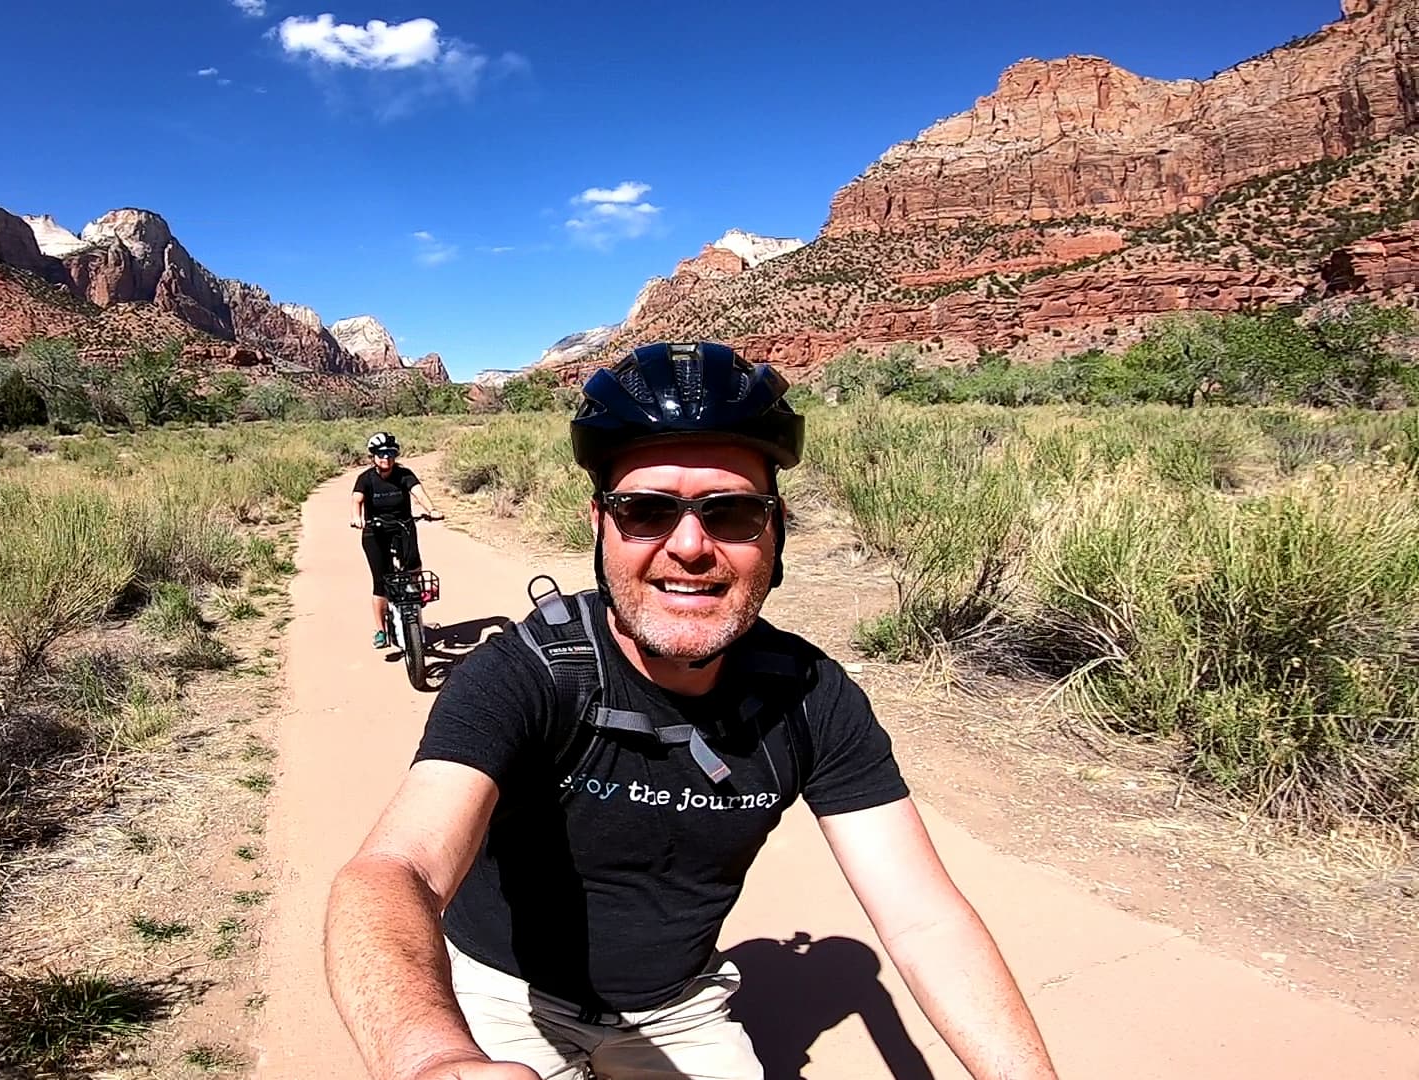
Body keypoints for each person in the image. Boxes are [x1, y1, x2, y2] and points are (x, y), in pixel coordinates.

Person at [324, 343, 1058, 1079]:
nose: (690, 547)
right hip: (503, 997)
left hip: (679, 1008)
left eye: (732, 512)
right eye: (645, 511)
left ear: (775, 531)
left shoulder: (811, 696)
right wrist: (432, 1058)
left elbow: (923, 919)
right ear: (598, 524)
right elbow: (396, 870)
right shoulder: (527, 672)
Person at [352, 431, 444, 649]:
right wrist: (357, 518)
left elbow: (418, 493)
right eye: (382, 453)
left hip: (403, 526)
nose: (387, 458)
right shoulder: (366, 479)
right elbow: (357, 500)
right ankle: (381, 631)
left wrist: (431, 509)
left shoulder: (404, 474)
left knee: (413, 565)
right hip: (375, 531)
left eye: (391, 453)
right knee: (381, 582)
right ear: (373, 456)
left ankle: (414, 598)